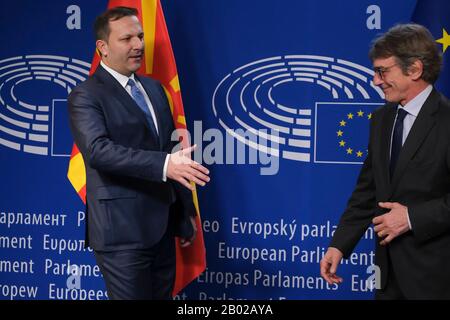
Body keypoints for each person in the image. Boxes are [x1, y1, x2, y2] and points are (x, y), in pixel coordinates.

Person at [68, 6, 210, 300]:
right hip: (120, 233)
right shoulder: (86, 95)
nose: (138, 45)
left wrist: (185, 212)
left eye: (140, 36)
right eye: (127, 39)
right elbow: (98, 151)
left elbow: (172, 150)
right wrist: (165, 165)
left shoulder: (155, 89)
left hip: (162, 229)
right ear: (103, 48)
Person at [320, 23, 450, 299]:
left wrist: (412, 217)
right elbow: (368, 191)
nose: (375, 81)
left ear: (414, 69)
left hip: (436, 280)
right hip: (387, 277)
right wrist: (339, 245)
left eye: (382, 71)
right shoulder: (382, 120)